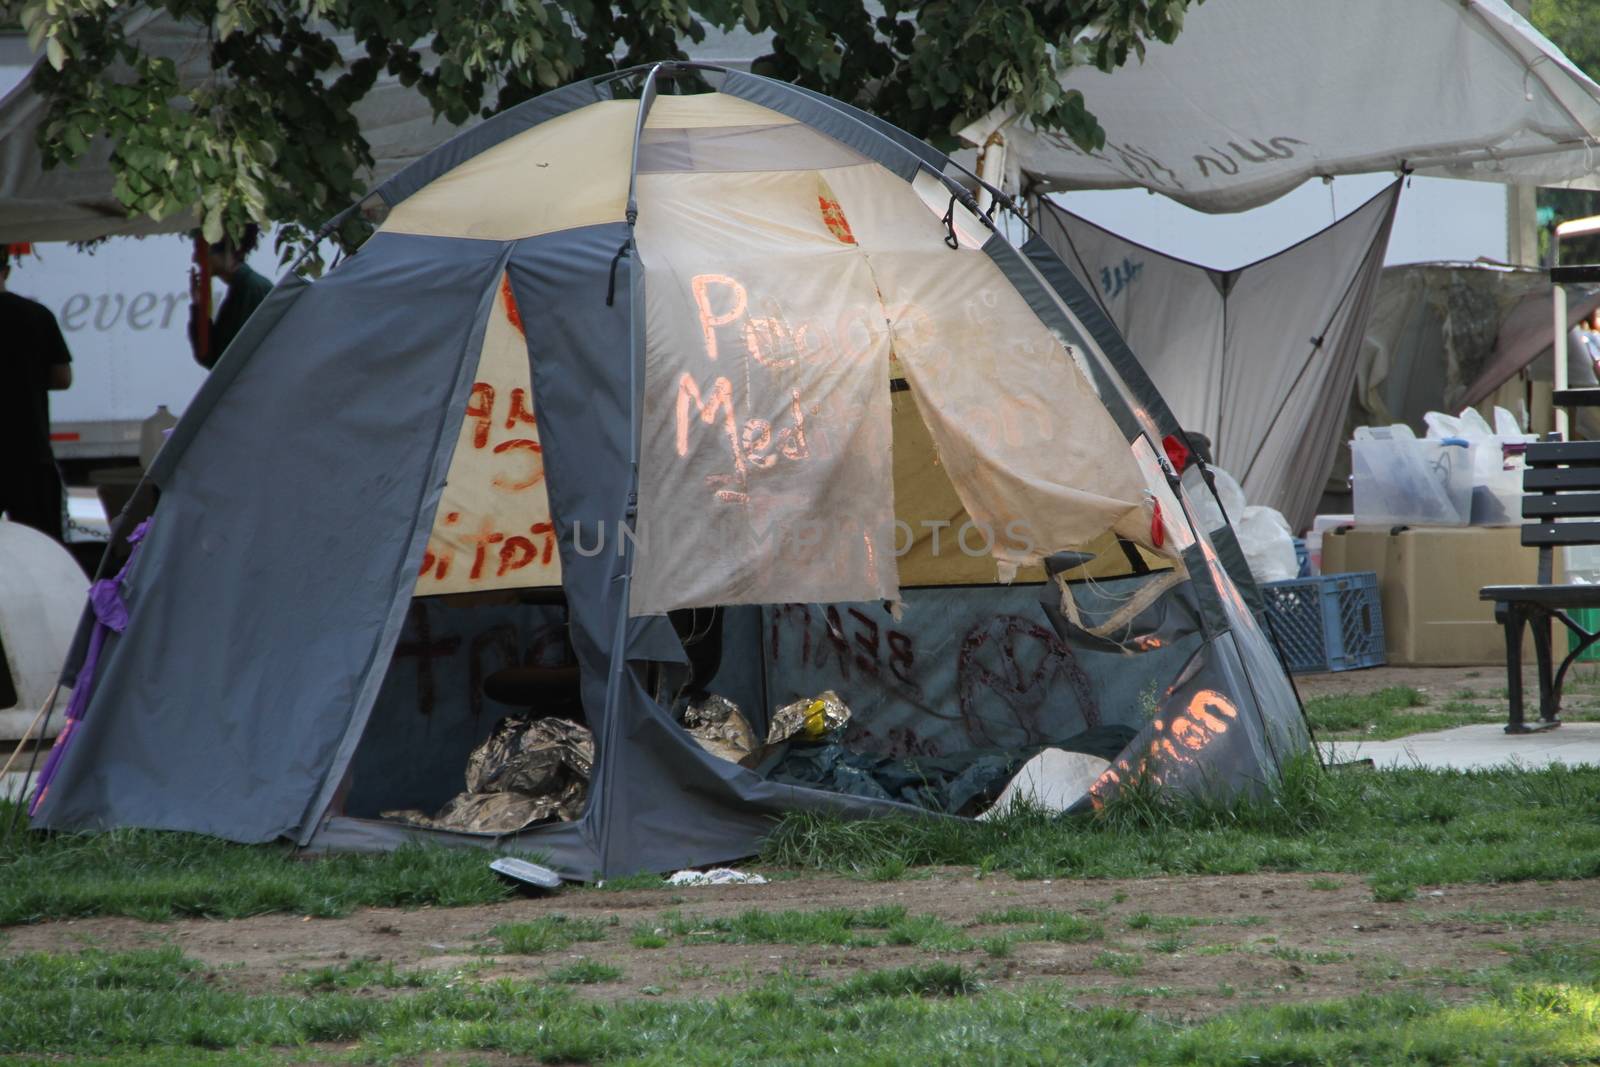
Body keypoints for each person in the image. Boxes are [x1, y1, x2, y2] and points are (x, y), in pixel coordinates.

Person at [0, 245, 73, 542]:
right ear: (6, 270)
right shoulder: (37, 315)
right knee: (43, 549)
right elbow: (62, 377)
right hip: (30, 452)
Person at [189, 223, 274, 369]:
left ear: (227, 250)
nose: (195, 258)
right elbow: (212, 358)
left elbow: (223, 361)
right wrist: (199, 305)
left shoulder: (252, 288)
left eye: (202, 250)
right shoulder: (242, 288)